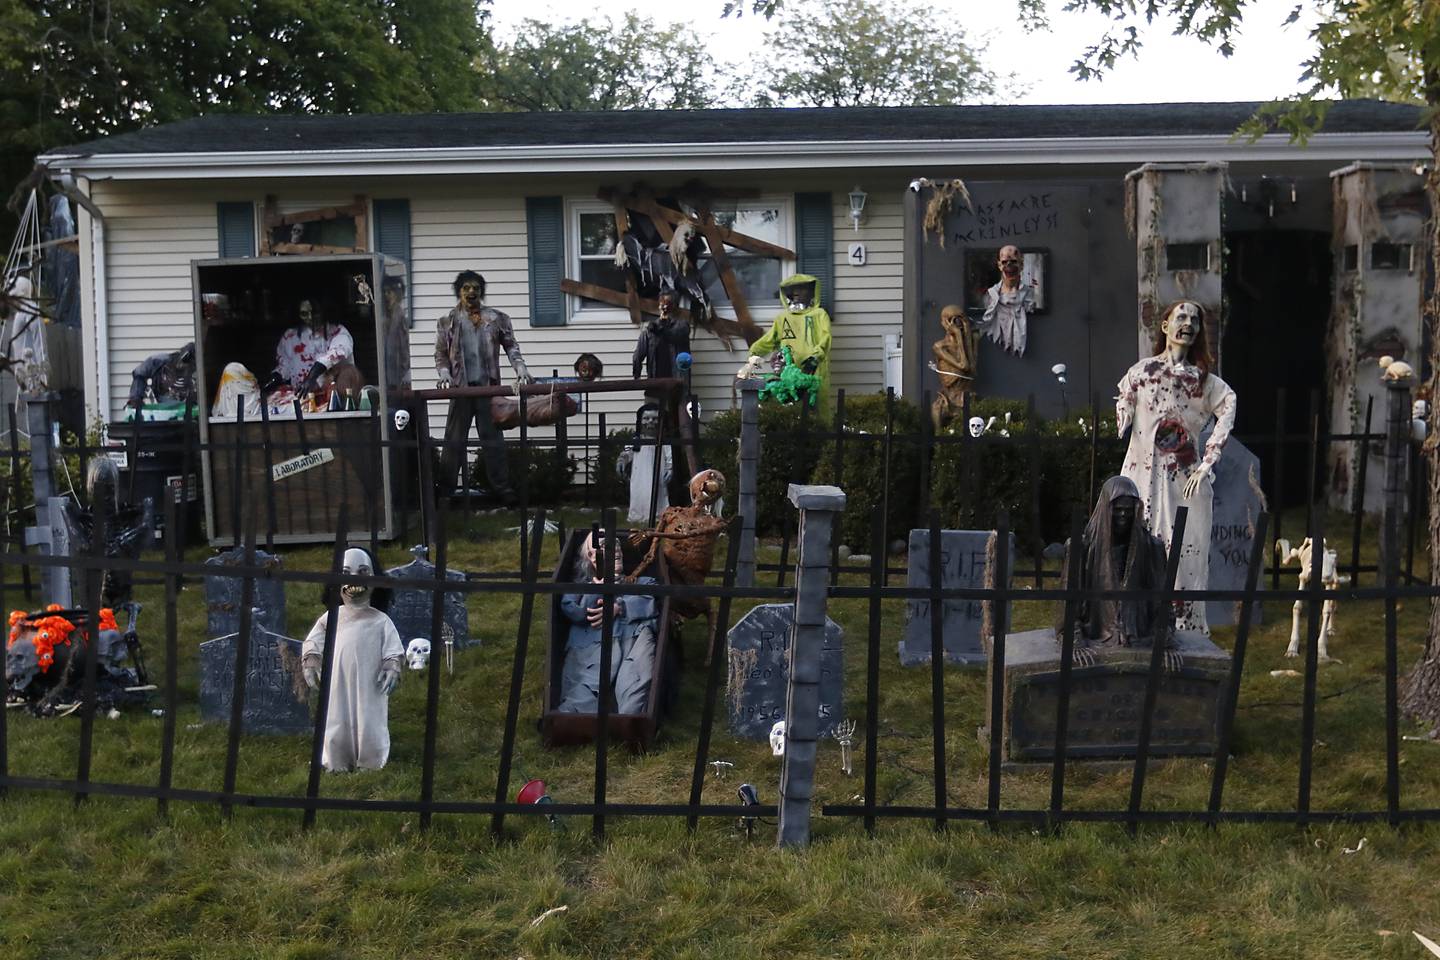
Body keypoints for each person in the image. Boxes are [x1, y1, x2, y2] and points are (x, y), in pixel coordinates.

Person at [1116, 299, 1236, 635]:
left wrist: (1209, 458)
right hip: (1143, 476)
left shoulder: (1203, 381)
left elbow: (1229, 403)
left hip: (1184, 482)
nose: (1188, 324)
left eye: (1195, 320)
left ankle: (1182, 633)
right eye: (1180, 317)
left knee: (1184, 556)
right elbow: (1125, 398)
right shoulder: (1142, 372)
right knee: (1139, 548)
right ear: (1165, 325)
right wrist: (1124, 409)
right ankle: (1136, 626)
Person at [302, 547, 403, 771]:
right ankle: (336, 760)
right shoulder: (331, 618)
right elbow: (313, 642)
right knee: (336, 717)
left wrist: (392, 665)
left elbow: (393, 649)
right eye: (346, 572)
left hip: (370, 682)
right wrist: (311, 659)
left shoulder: (380, 621)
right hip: (337, 681)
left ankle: (370, 760)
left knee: (369, 720)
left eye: (363, 571)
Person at [434, 270, 532, 499]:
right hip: (461, 390)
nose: (471, 292)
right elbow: (440, 355)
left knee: (493, 442)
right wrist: (445, 373)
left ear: (482, 292)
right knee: (454, 442)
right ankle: (445, 492)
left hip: (488, 390)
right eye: (466, 287)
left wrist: (521, 369)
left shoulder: (496, 318)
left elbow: (511, 347)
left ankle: (503, 490)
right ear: (458, 291)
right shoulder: (447, 321)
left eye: (476, 288)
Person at [1057, 476, 1171, 654]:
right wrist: (1073, 638)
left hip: (1138, 634)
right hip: (1098, 631)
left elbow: (1161, 601)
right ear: (1105, 508)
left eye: (1128, 510)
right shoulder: (1082, 548)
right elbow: (1069, 599)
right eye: (1117, 509)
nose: (1123, 515)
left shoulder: (1152, 548)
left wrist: (1163, 633)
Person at [557, 530, 659, 715]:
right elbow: (575, 611)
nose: (617, 550)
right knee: (583, 690)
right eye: (606, 546)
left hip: (633, 641)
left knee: (635, 683)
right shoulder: (579, 588)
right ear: (591, 556)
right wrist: (597, 589)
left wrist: (619, 607)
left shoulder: (641, 582)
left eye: (618, 545)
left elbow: (653, 601)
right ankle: (572, 724)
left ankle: (629, 726)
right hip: (591, 646)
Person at [748, 274, 832, 414]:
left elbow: (826, 337)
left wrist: (815, 358)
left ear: (811, 291)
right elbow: (769, 339)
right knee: (789, 408)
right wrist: (753, 353)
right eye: (794, 289)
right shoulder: (783, 318)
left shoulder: (819, 314)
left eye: (802, 289)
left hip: (813, 368)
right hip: (787, 371)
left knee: (816, 408)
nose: (797, 293)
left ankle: (821, 434)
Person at [266, 299, 362, 405]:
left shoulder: (339, 332)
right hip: (304, 394)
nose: (310, 318)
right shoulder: (290, 336)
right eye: (304, 314)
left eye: (315, 313)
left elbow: (334, 355)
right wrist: (275, 378)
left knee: (349, 373)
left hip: (336, 392)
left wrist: (311, 377)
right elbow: (285, 366)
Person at [977, 244, 1034, 356]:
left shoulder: (1029, 293)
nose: (1009, 265)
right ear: (999, 265)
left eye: (1013, 261)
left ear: (1021, 264)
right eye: (1004, 262)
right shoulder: (991, 295)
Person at [930, 304, 977, 431]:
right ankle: (940, 445)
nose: (958, 322)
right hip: (948, 397)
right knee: (936, 409)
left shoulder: (971, 341)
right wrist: (958, 335)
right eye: (952, 319)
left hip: (965, 396)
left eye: (960, 318)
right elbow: (963, 365)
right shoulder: (940, 346)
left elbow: (971, 369)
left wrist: (965, 337)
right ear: (945, 323)